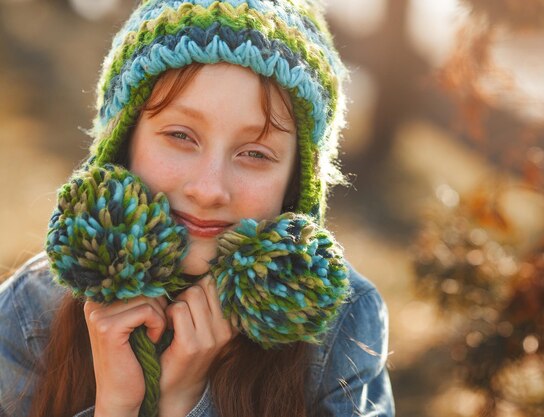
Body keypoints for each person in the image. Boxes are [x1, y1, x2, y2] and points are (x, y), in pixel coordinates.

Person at [0, 1, 394, 416]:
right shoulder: (31, 311)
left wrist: (183, 405)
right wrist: (116, 406)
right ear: (123, 144)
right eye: (181, 136)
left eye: (255, 154)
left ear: (297, 182)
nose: (208, 190)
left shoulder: (342, 322)